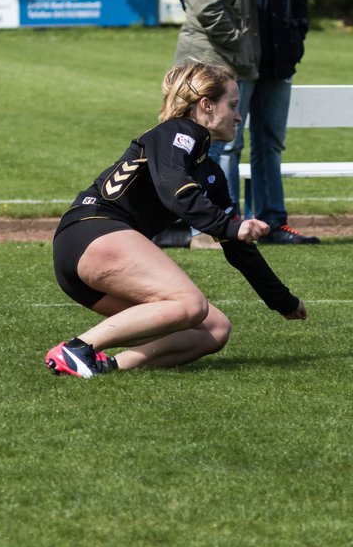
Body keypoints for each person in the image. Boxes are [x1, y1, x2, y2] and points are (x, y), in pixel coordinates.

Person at [46, 60, 308, 378]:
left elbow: (237, 246)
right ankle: (77, 349)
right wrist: (232, 226)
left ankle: (107, 367)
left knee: (213, 329)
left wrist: (281, 300)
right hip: (93, 232)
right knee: (189, 302)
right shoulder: (180, 132)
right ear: (206, 105)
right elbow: (177, 192)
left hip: (86, 256)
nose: (239, 116)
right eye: (234, 105)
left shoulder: (209, 174)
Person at [234, 0, 318, 244]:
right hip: (239, 55)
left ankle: (272, 223)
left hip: (279, 53)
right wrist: (232, 40)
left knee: (269, 143)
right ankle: (226, 225)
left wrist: (297, 31)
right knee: (227, 144)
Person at [173, 0, 261, 249]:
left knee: (224, 145)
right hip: (210, 59)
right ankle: (206, 231)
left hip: (220, 58)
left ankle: (220, 226)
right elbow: (206, 8)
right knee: (208, 147)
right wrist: (238, 42)